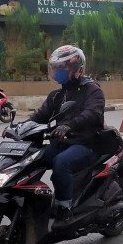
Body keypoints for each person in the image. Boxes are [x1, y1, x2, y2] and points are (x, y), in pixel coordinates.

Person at [30, 45, 105, 227]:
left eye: (62, 68)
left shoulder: (92, 90)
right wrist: (19, 128)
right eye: (56, 68)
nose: (58, 72)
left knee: (62, 163)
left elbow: (93, 113)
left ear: (77, 68)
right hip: (62, 142)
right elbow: (39, 116)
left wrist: (69, 125)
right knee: (32, 158)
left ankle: (65, 207)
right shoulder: (57, 95)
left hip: (87, 144)